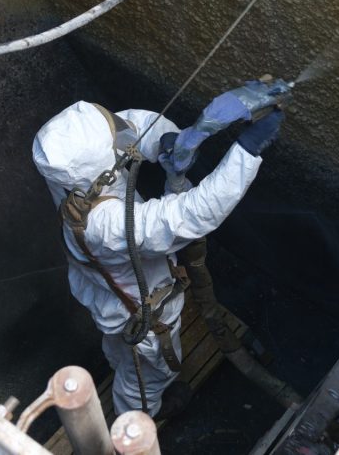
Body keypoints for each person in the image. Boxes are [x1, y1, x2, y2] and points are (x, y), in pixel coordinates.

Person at [32, 96, 284, 417]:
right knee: (149, 376)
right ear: (99, 168)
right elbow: (191, 214)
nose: (118, 140)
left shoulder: (69, 172)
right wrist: (247, 152)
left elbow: (128, 125)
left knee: (120, 349)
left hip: (104, 291)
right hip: (141, 314)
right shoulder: (106, 225)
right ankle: (137, 419)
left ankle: (122, 363)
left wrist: (164, 139)